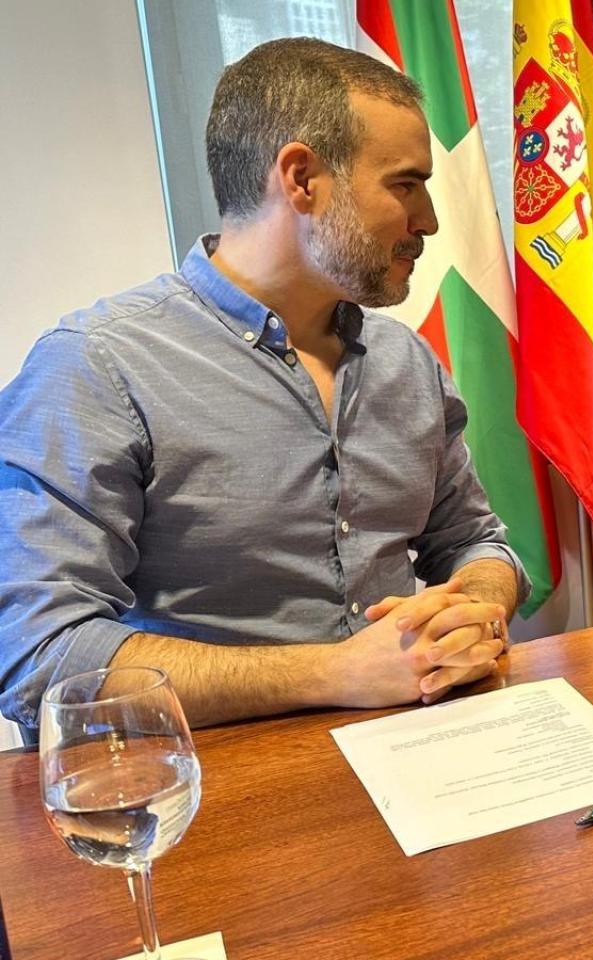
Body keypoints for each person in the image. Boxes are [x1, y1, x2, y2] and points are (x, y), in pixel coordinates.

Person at [0, 38, 528, 735]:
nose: (428, 219)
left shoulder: (406, 361)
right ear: (302, 179)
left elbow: (475, 541)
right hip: (211, 794)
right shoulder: (97, 367)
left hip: (428, 750)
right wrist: (335, 672)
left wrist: (478, 605)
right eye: (405, 184)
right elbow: (39, 656)